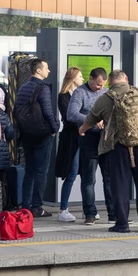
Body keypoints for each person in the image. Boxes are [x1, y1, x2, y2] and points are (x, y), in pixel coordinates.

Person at [77, 69, 138, 233]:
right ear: (126, 78)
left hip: (119, 147)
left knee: (120, 185)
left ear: (110, 82)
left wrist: (82, 129)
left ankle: (122, 224)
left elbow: (91, 119)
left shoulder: (107, 97)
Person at [14, 58, 59, 218]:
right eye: (46, 68)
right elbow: (47, 111)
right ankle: (37, 206)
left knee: (29, 171)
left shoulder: (23, 87)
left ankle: (25, 205)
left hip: (27, 134)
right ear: (38, 70)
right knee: (41, 171)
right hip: (42, 134)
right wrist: (54, 129)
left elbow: (16, 110)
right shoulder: (43, 88)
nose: (49, 71)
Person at [67, 67, 111, 226]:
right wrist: (91, 121)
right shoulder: (80, 92)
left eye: (103, 85)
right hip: (89, 139)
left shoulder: (106, 92)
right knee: (88, 179)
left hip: (105, 139)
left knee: (110, 178)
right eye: (98, 84)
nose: (100, 88)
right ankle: (90, 213)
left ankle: (113, 213)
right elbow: (71, 114)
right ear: (90, 79)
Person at [55, 67, 83, 222]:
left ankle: (88, 209)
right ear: (72, 78)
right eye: (80, 76)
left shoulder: (81, 94)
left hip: (83, 135)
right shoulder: (64, 96)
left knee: (86, 173)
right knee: (71, 173)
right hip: (71, 138)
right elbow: (69, 117)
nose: (82, 78)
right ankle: (63, 209)